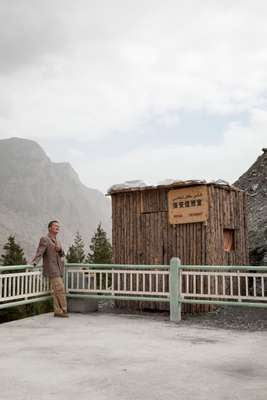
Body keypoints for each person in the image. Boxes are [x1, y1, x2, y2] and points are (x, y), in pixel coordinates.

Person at [31, 220, 68, 317]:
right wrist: (34, 262)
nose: (57, 227)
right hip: (52, 269)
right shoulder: (45, 239)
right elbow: (40, 252)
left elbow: (62, 255)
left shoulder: (58, 240)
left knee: (56, 291)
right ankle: (64, 310)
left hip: (59, 268)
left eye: (58, 226)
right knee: (60, 289)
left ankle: (58, 311)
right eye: (55, 226)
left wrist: (60, 250)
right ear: (49, 228)